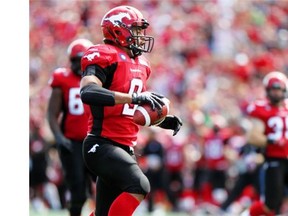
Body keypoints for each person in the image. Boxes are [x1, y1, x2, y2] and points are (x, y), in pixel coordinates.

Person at [79, 5, 183, 216]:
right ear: (118, 31)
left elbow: (133, 108)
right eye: (135, 30)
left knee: (103, 212)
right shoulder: (104, 54)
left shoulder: (141, 64)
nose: (140, 36)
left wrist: (163, 120)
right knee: (139, 185)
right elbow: (88, 91)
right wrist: (134, 97)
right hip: (101, 144)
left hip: (125, 147)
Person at [47, 38, 95, 216]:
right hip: (73, 143)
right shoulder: (62, 78)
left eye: (82, 60)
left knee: (105, 187)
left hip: (95, 141)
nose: (78, 65)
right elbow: (52, 113)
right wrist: (59, 138)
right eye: (75, 60)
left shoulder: (98, 79)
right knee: (78, 193)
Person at [245, 71, 288, 215]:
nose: (276, 93)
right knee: (270, 203)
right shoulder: (261, 109)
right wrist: (271, 140)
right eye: (273, 89)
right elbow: (253, 137)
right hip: (274, 159)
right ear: (267, 91)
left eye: (279, 89)